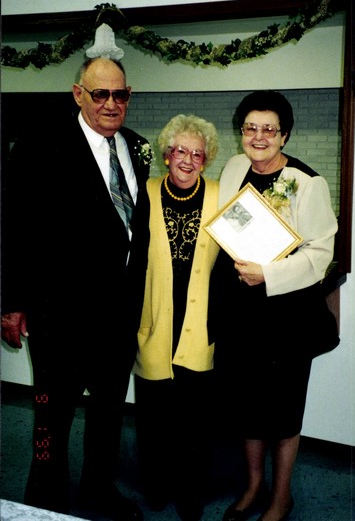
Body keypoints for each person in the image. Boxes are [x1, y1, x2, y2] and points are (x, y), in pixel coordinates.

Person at [1, 57, 151, 521]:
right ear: (78, 93)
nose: (111, 104)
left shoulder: (138, 147)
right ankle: (45, 495)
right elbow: (14, 226)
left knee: (108, 413)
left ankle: (98, 490)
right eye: (100, 93)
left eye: (120, 94)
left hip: (118, 315)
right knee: (52, 413)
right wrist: (11, 303)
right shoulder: (40, 146)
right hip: (59, 314)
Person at [208, 90, 338, 521]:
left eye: (269, 129)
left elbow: (320, 254)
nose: (258, 137)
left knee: (282, 412)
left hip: (287, 318)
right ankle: (252, 487)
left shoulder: (307, 182)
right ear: (241, 132)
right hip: (241, 315)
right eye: (251, 128)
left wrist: (269, 275)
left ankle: (282, 497)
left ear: (284, 136)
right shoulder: (234, 167)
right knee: (248, 407)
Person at [133, 114, 220, 521]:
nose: (187, 160)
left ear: (206, 159)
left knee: (196, 422)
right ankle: (155, 484)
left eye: (197, 154)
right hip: (154, 323)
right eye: (180, 151)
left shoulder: (220, 196)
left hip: (200, 325)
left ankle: (192, 493)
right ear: (166, 154)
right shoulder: (146, 192)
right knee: (153, 417)